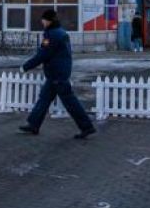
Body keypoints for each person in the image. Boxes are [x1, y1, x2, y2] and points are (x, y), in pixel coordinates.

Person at [18, 9, 96, 139]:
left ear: (48, 20)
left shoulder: (51, 35)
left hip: (57, 75)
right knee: (44, 98)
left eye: (43, 19)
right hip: (58, 73)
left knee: (70, 101)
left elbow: (42, 55)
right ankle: (33, 124)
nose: (42, 22)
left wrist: (25, 67)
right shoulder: (60, 32)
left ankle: (87, 127)